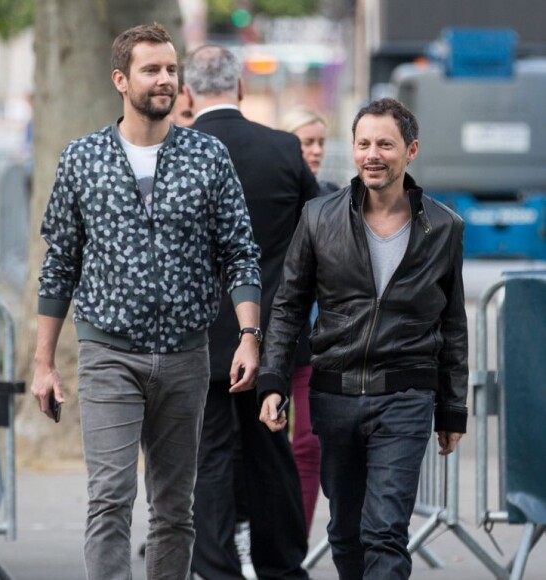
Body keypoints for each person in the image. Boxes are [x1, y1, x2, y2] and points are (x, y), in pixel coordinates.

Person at [30, 23, 262, 580]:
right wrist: (43, 363)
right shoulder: (82, 159)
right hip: (109, 354)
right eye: (151, 70)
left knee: (174, 509)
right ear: (120, 79)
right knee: (110, 496)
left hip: (186, 356)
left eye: (171, 70)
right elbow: (60, 261)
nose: (165, 80)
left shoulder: (208, 157)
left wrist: (250, 335)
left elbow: (240, 251)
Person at [258, 97, 468, 580]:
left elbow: (453, 324)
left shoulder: (443, 227)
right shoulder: (317, 217)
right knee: (346, 534)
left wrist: (452, 407)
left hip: (405, 395)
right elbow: (288, 306)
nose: (373, 154)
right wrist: (273, 381)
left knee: (385, 531)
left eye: (386, 145)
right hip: (335, 392)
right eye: (363, 143)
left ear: (410, 150)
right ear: (352, 149)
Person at [182, 45, 318, 580]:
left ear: (189, 94)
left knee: (210, 457)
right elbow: (317, 229)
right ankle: (281, 567)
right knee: (270, 451)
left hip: (198, 337)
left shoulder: (178, 152)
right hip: (270, 336)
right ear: (239, 87)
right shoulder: (283, 149)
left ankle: (216, 570)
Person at [279, 105, 340, 538]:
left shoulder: (334, 196)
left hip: (323, 341)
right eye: (306, 142)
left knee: (309, 442)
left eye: (320, 141)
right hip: (280, 335)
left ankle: (295, 539)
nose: (315, 150)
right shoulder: (275, 199)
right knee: (266, 441)